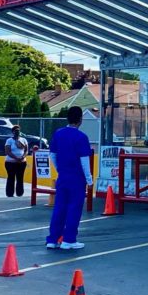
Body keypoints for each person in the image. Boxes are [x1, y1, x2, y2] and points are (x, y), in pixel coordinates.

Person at [46, 106, 92, 250]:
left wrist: (60, 168)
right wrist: (89, 180)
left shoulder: (58, 133)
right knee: (74, 208)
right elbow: (85, 161)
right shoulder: (81, 137)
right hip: (77, 178)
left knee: (59, 207)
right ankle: (69, 240)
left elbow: (52, 155)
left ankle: (52, 239)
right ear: (80, 119)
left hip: (63, 176)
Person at [4, 125, 29, 197]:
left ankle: (20, 193)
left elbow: (26, 150)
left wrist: (23, 157)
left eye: (18, 131)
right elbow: (7, 151)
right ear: (13, 132)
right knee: (11, 177)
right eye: (16, 131)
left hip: (22, 162)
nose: (17, 132)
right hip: (10, 163)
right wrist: (16, 158)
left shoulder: (23, 140)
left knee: (20, 177)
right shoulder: (9, 140)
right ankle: (9, 194)